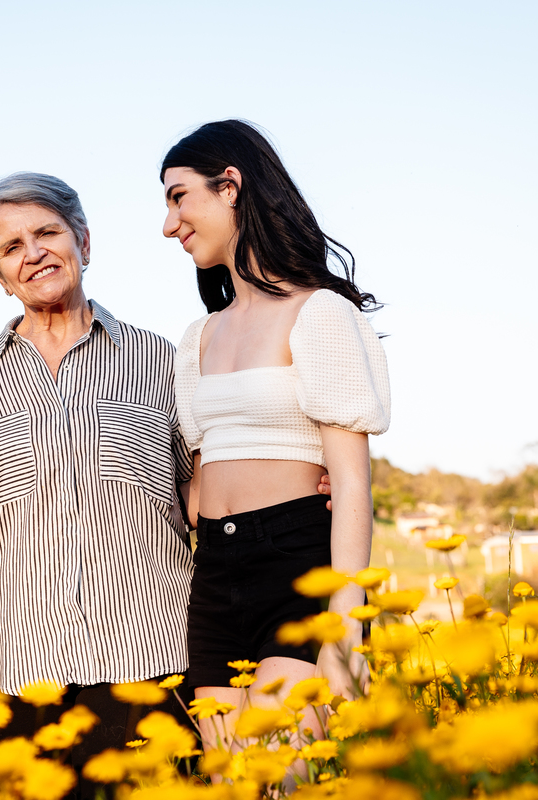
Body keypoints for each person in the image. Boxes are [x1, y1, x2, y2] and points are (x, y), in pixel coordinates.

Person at [0, 172, 197, 775]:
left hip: (151, 679)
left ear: (83, 242)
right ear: (0, 278)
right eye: (12, 247)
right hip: (12, 690)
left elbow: (218, 501)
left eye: (47, 232)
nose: (33, 253)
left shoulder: (169, 362)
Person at [161, 120, 390, 749]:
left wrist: (348, 633)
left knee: (282, 774)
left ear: (229, 185)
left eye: (179, 197)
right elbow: (202, 477)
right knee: (229, 778)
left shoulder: (319, 314)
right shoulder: (196, 337)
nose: (169, 223)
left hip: (297, 562)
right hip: (213, 573)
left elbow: (350, 485)